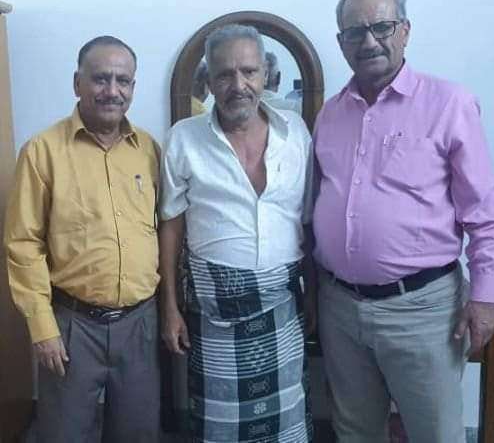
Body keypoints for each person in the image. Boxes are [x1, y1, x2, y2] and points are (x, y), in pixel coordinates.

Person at [313, 0, 494, 443]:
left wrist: (485, 299)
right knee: (354, 430)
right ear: (341, 42)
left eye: (381, 27)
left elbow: (485, 212)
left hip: (422, 309)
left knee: (433, 433)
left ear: (405, 30)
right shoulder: (330, 114)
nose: (368, 41)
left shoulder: (449, 103)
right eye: (354, 32)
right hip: (340, 306)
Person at [159, 24, 314, 443]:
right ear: (209, 82)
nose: (238, 85)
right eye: (225, 74)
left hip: (283, 309)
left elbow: (307, 221)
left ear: (265, 74)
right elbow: (170, 226)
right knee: (218, 428)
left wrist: (314, 297)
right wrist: (170, 307)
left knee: (285, 426)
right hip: (213, 317)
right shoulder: (183, 139)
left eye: (248, 71)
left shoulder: (295, 133)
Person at [4, 36, 162, 442]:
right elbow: (23, 243)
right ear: (77, 83)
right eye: (100, 79)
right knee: (65, 433)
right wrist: (43, 328)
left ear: (133, 87)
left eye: (123, 81)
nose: (112, 91)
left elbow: (163, 227)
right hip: (73, 325)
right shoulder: (42, 151)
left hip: (140, 323)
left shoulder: (148, 149)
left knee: (138, 432)